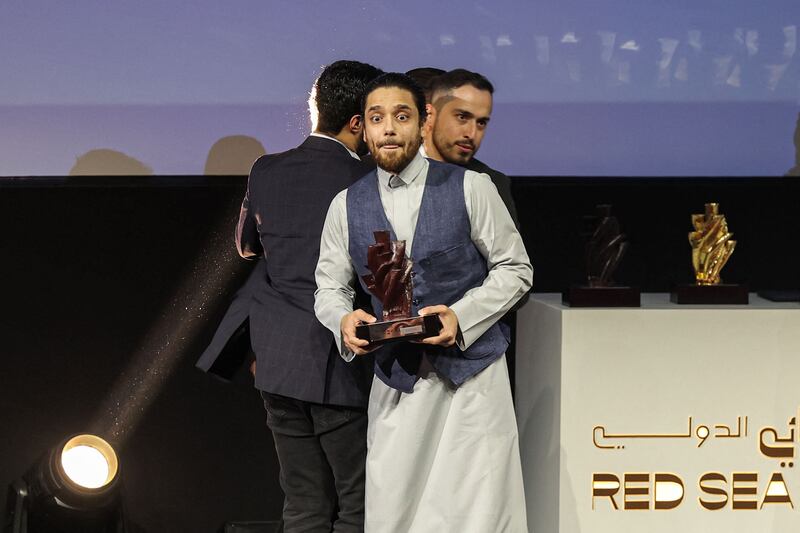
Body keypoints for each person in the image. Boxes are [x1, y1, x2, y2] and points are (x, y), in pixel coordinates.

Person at [314, 73, 532, 532]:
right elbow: (330, 288)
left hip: (472, 383)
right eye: (377, 118)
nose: (389, 128)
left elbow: (516, 269)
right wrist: (344, 320)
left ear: (422, 122)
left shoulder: (471, 187)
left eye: (401, 116)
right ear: (364, 128)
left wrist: (461, 315)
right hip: (397, 384)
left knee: (478, 513)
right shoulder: (345, 205)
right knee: (396, 513)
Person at [200, 59, 382, 533]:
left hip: (277, 362)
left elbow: (245, 247)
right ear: (357, 121)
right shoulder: (368, 182)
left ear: (315, 106)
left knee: (302, 504)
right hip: (340, 362)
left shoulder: (266, 170)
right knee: (358, 507)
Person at [407, 68, 520, 229]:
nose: (471, 134)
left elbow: (508, 254)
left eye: (481, 123)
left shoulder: (492, 183)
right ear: (429, 115)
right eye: (462, 117)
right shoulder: (375, 170)